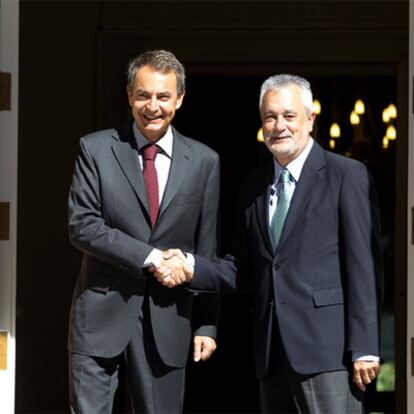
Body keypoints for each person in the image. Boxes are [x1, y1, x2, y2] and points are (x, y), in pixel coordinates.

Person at [154, 74, 383, 413]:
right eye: (270, 117)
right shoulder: (253, 186)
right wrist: (190, 265)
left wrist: (365, 347)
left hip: (328, 352)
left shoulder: (345, 175)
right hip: (271, 352)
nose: (279, 126)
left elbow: (363, 265)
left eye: (289, 116)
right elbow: (241, 269)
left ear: (310, 119)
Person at [67, 49, 220, 413]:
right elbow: (82, 225)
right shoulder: (96, 149)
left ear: (179, 98)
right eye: (144, 95)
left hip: (168, 320)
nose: (153, 106)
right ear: (129, 95)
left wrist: (207, 325)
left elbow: (206, 248)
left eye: (163, 96)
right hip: (99, 317)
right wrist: (151, 258)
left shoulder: (204, 161)